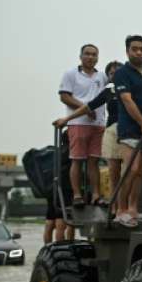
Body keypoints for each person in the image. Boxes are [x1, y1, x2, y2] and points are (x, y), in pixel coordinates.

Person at [54, 61, 122, 211]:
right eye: (111, 73)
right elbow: (89, 105)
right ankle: (79, 196)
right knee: (80, 160)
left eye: (118, 72)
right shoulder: (109, 91)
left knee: (97, 162)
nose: (115, 75)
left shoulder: (131, 89)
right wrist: (66, 120)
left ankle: (99, 196)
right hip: (104, 129)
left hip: (109, 128)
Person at [112, 35, 142, 228]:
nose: (139, 52)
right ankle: (120, 211)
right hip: (130, 129)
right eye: (135, 49)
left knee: (141, 172)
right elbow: (127, 101)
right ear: (127, 51)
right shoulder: (122, 72)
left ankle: (133, 210)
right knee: (131, 169)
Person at [58, 43, 107, 207]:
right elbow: (64, 97)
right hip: (78, 123)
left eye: (94, 54)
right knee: (77, 160)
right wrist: (85, 109)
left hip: (99, 124)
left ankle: (96, 195)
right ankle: (77, 195)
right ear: (81, 56)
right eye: (87, 54)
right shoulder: (71, 74)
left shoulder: (102, 77)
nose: (91, 57)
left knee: (94, 161)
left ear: (98, 57)